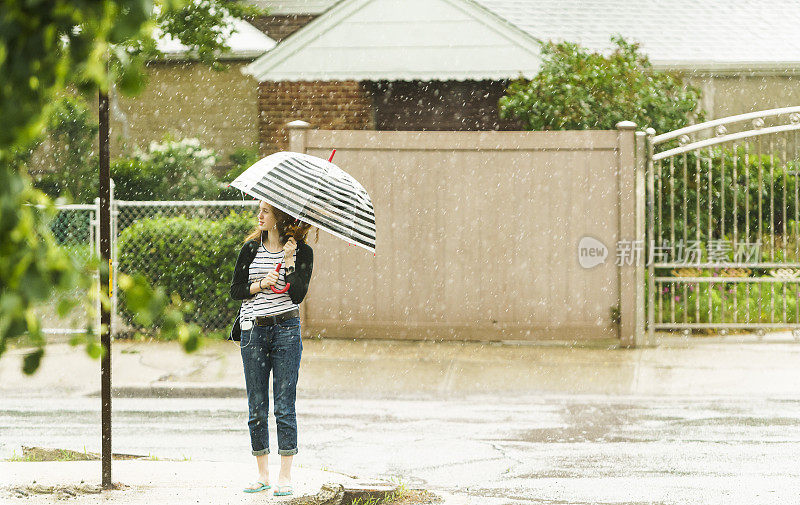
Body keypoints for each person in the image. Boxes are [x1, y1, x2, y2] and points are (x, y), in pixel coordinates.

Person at [229, 200, 317, 496]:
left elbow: (298, 295)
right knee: (257, 407)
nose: (259, 215)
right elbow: (235, 290)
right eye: (260, 210)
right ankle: (262, 474)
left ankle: (285, 477)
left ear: (279, 215)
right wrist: (259, 285)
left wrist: (290, 262)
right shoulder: (250, 249)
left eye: (265, 211)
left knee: (284, 406)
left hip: (287, 331)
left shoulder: (302, 251)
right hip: (253, 329)